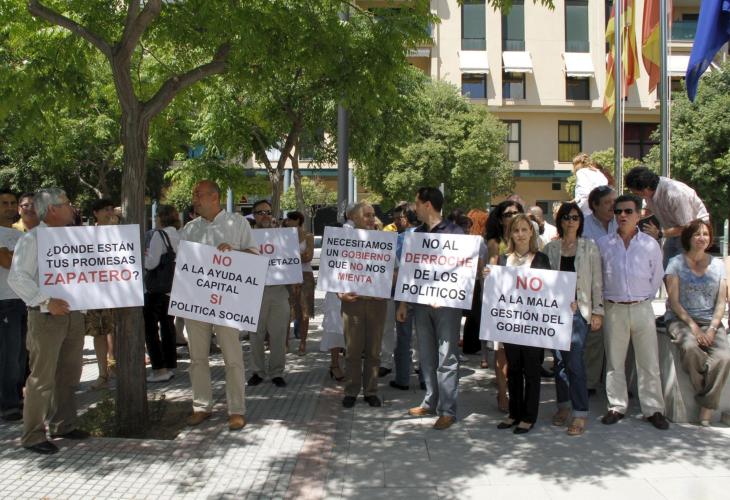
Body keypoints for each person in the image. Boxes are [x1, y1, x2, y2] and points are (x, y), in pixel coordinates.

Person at [8, 188, 89, 454]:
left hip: (73, 315)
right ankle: (32, 435)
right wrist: (46, 301)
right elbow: (17, 278)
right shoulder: (32, 240)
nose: (71, 208)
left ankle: (63, 424)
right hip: (45, 317)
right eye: (66, 204)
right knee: (41, 378)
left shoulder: (73, 238)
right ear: (52, 209)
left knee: (69, 373)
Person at [180, 180, 258, 431]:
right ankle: (201, 405)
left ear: (214, 197)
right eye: (194, 194)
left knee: (232, 358)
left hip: (227, 303)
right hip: (196, 303)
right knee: (197, 358)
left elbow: (256, 257)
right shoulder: (190, 229)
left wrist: (234, 252)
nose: (194, 198)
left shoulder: (238, 223)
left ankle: (236, 410)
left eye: (198, 194)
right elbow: (183, 265)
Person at [596, 194, 669, 430]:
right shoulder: (604, 244)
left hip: (642, 308)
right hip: (614, 309)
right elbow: (598, 278)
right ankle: (616, 406)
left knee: (648, 362)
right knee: (615, 362)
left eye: (628, 211)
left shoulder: (650, 245)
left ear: (639, 214)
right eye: (618, 212)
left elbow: (657, 277)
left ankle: (653, 409)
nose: (623, 216)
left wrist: (643, 299)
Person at [397, 187, 464, 430]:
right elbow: (409, 270)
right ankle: (429, 401)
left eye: (416, 203)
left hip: (447, 306)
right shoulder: (415, 235)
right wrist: (403, 302)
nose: (414, 208)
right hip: (420, 304)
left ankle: (448, 410)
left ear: (427, 205)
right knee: (426, 355)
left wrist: (444, 294)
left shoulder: (456, 232)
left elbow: (462, 271)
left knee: (447, 356)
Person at [486, 213, 551, 434]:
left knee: (532, 371)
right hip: (510, 325)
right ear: (510, 234)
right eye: (516, 230)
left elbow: (551, 293)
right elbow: (496, 292)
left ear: (531, 232)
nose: (520, 234)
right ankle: (514, 413)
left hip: (533, 326)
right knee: (513, 370)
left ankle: (529, 416)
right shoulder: (504, 261)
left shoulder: (541, 259)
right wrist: (488, 277)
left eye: (524, 230)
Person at [544, 203, 604, 436]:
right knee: (558, 363)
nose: (571, 221)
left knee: (575, 362)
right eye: (567, 217)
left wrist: (598, 311)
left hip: (579, 313)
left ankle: (580, 412)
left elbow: (597, 281)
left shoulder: (589, 247)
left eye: (575, 217)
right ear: (560, 220)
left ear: (581, 222)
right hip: (554, 313)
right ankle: (563, 406)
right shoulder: (551, 248)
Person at [665, 220, 729, 425]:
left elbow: (721, 302)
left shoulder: (718, 265)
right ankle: (709, 399)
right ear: (688, 238)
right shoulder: (675, 263)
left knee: (724, 357)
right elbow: (674, 302)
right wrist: (693, 328)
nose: (702, 238)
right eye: (697, 234)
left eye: (706, 234)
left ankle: (705, 407)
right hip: (681, 320)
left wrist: (711, 329)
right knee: (690, 347)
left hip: (710, 321)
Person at [339, 202, 388, 408]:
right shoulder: (343, 241)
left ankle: (371, 391)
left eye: (373, 215)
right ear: (355, 218)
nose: (371, 219)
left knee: (374, 351)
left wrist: (385, 289)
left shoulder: (385, 241)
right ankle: (351, 391)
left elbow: (393, 271)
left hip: (377, 303)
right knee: (352, 350)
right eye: (367, 215)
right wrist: (339, 293)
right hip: (353, 303)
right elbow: (332, 268)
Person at [625, 166, 709, 267]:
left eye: (635, 192)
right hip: (674, 231)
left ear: (645, 189)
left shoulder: (675, 194)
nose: (635, 195)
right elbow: (648, 209)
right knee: (666, 269)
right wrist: (631, 217)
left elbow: (687, 227)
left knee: (683, 272)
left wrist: (660, 233)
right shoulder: (651, 190)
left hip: (693, 233)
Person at [485, 200, 524, 412]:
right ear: (500, 219)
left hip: (526, 306)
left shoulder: (528, 238)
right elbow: (490, 271)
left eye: (516, 213)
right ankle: (502, 393)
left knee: (520, 353)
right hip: (502, 305)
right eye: (508, 214)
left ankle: (517, 390)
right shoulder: (495, 243)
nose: (512, 216)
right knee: (501, 353)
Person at [247, 200, 289, 388]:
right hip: (255, 291)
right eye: (260, 212)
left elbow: (291, 260)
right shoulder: (246, 237)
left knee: (279, 334)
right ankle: (258, 371)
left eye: (268, 212)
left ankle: (277, 372)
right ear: (253, 215)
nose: (265, 215)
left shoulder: (282, 236)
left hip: (279, 291)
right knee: (256, 334)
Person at [580, 185, 617, 395]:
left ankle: (615, 383)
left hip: (618, 289)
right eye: (607, 202)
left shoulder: (621, 223)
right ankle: (590, 382)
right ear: (595, 205)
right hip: (593, 288)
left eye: (614, 201)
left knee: (617, 340)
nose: (613, 206)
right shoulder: (583, 226)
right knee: (594, 339)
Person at [144, 204, 180, 383]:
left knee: (150, 329)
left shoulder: (159, 235)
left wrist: (143, 256)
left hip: (156, 289)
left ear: (161, 217)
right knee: (168, 326)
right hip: (173, 288)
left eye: (157, 215)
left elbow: (151, 263)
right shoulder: (179, 235)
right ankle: (170, 363)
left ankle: (159, 368)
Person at [86, 198, 117, 390]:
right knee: (98, 333)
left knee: (116, 330)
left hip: (117, 291)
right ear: (96, 213)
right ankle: (102, 373)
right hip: (94, 291)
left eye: (111, 209)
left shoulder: (120, 233)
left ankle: (116, 366)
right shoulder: (86, 235)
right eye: (105, 209)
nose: (109, 212)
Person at [390, 204, 421, 391]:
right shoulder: (430, 239)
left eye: (399, 217)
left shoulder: (399, 240)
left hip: (402, 294)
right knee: (425, 338)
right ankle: (426, 378)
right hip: (426, 294)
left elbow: (393, 271)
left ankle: (402, 379)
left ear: (405, 218)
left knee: (403, 337)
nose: (396, 221)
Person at [0, 190, 25, 422]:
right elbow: (7, 262)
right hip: (4, 302)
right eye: (4, 203)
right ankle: (8, 404)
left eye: (12, 203)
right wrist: (17, 257)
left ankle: (17, 397)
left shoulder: (18, 235)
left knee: (19, 355)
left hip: (21, 300)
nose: (9, 207)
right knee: (8, 355)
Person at [282, 210, 314, 356]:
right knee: (287, 311)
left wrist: (291, 256)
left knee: (305, 311)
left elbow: (308, 257)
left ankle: (303, 343)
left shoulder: (308, 236)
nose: (287, 222)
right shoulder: (284, 237)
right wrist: (298, 255)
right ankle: (285, 343)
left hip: (305, 276)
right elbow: (281, 256)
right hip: (288, 276)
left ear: (297, 220)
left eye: (290, 219)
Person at [462, 209, 488, 361]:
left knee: (474, 315)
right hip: (470, 282)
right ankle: (471, 345)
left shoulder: (475, 241)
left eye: (468, 225)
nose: (466, 229)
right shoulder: (476, 241)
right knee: (473, 315)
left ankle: (471, 345)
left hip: (473, 281)